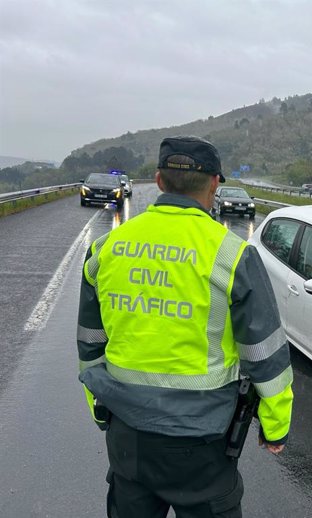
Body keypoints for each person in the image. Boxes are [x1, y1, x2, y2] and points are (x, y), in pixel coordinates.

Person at [76, 135, 293, 517]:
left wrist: (98, 407)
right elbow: (265, 354)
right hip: (203, 444)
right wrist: (275, 427)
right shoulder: (233, 254)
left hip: (127, 437)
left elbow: (90, 345)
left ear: (159, 181)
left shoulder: (106, 248)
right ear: (214, 183)